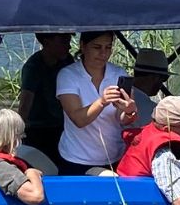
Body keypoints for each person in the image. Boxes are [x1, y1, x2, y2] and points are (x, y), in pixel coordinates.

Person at [56, 30, 138, 174]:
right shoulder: (68, 75)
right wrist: (102, 102)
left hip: (114, 156)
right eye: (97, 47)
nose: (103, 53)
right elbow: (78, 120)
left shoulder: (119, 73)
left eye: (108, 47)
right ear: (83, 46)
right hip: (77, 158)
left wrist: (129, 111)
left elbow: (122, 119)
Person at [18, 31, 73, 160]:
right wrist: (18, 131)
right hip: (38, 128)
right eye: (64, 41)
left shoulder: (67, 61)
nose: (69, 46)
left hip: (62, 126)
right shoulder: (33, 67)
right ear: (47, 43)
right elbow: (25, 102)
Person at [123, 46, 171, 126]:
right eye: (164, 78)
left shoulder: (117, 98)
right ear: (155, 78)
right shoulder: (153, 111)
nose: (161, 83)